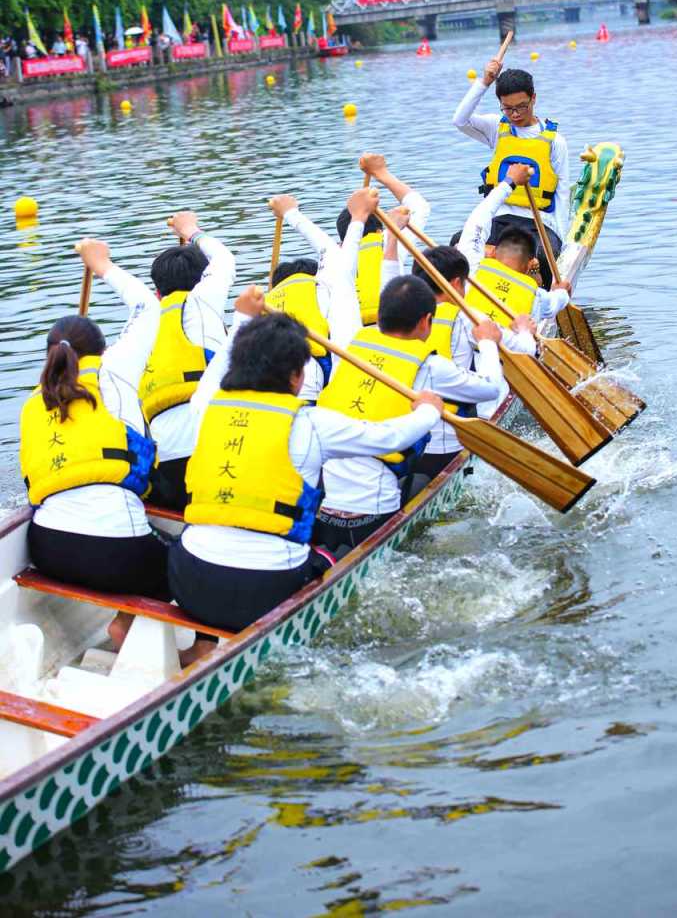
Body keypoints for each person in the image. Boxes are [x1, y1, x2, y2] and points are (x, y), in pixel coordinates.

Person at [167, 293, 443, 647]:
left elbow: (217, 369)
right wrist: (428, 410)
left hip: (188, 579)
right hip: (266, 590)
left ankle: (203, 645)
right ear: (296, 375)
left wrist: (242, 319)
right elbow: (388, 437)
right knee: (334, 554)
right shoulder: (311, 422)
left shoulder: (206, 405)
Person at [19, 239, 165, 644]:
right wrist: (101, 265)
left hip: (46, 547)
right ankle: (126, 625)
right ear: (101, 351)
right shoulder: (115, 370)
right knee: (187, 564)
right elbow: (148, 307)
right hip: (115, 552)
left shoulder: (34, 401)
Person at [314, 275, 503, 555]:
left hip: (322, 511)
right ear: (426, 321)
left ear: (379, 317)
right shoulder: (431, 366)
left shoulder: (353, 350)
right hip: (373, 516)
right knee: (422, 482)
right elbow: (491, 388)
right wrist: (487, 342)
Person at [140, 211, 235, 511]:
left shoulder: (140, 328)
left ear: (157, 293)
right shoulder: (201, 300)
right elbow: (224, 259)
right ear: (202, 281)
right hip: (214, 448)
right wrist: (191, 230)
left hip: (165, 465)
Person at [452, 59, 570, 288]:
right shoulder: (497, 127)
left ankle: (541, 303)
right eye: (507, 108)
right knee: (458, 244)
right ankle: (467, 298)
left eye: (521, 106)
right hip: (499, 219)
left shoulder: (555, 141)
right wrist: (484, 82)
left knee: (543, 256)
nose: (515, 114)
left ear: (533, 98)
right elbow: (460, 120)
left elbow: (562, 193)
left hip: (538, 223)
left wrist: (561, 240)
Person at [265, 189, 375, 400]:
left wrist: (290, 213)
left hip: (261, 392)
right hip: (319, 386)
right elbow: (333, 255)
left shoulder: (260, 307)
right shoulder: (324, 291)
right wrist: (358, 217)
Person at [456, 165, 572, 328]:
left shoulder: (471, 267)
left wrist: (509, 181)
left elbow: (478, 219)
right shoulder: (535, 296)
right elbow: (555, 302)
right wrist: (561, 292)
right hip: (504, 342)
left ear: (492, 252)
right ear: (530, 265)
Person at [336, 153, 430, 326]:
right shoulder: (387, 239)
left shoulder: (334, 256)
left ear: (341, 242)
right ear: (380, 230)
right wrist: (380, 173)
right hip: (393, 328)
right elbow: (420, 207)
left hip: (351, 334)